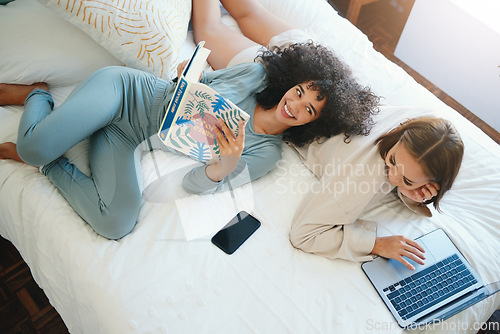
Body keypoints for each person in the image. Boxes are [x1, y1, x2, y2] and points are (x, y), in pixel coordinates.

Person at [0, 0, 378, 239]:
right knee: (31, 148)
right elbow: (199, 80)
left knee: (116, 223)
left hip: (128, 135)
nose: (295, 104)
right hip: (127, 93)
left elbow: (194, 184)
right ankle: (38, 93)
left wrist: (223, 168)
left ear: (311, 124)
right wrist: (188, 75)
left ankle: (52, 165)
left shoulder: (266, 154)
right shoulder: (256, 76)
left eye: (309, 109)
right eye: (300, 91)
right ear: (293, 82)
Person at [289, 117, 464, 270]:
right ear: (400, 134)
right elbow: (303, 236)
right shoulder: (360, 182)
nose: (393, 176)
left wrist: (409, 192)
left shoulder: (423, 126)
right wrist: (376, 244)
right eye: (393, 161)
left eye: (407, 179)